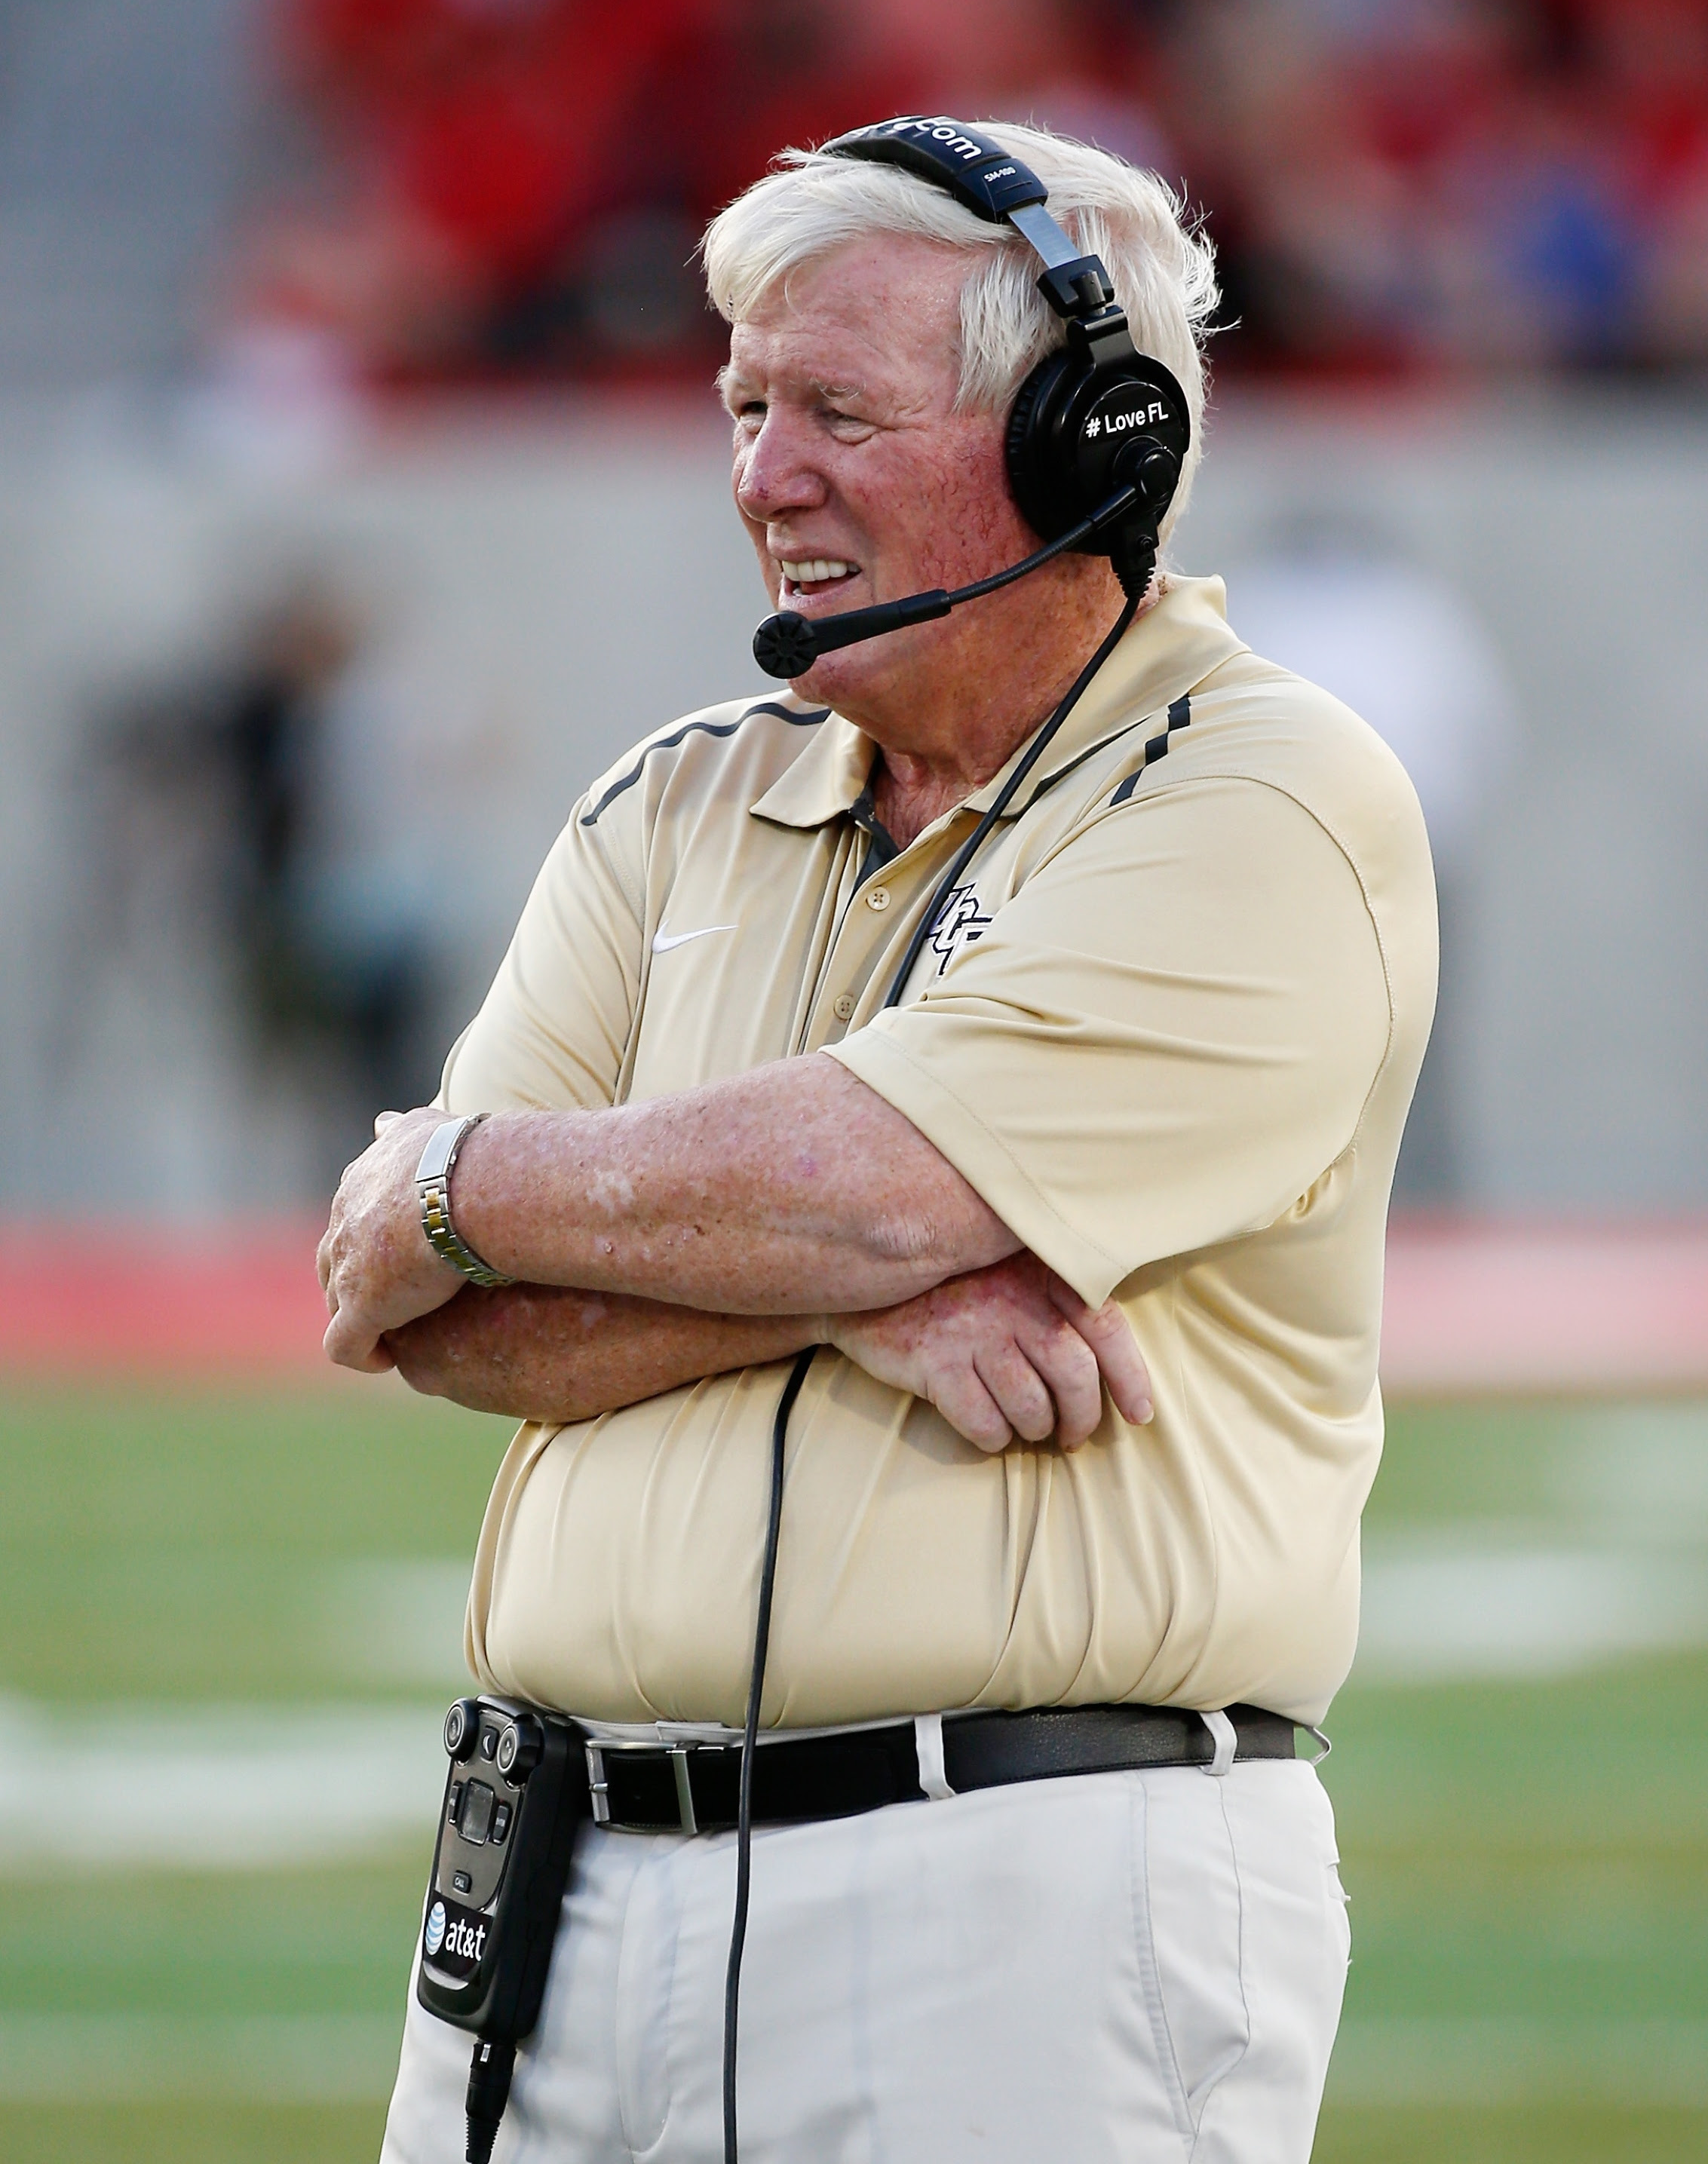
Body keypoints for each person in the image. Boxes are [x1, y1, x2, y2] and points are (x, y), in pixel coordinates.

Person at [320, 121, 1437, 2162]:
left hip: (1013, 1885)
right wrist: (817, 1293)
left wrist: (458, 1184)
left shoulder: (1257, 793)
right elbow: (430, 1326)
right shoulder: (668, 801)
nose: (763, 477)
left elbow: (867, 1186)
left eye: (835, 410)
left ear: (1087, 439)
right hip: (549, 1884)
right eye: (745, 408)